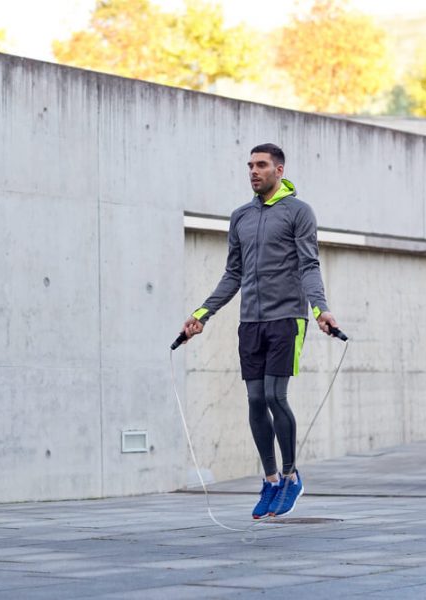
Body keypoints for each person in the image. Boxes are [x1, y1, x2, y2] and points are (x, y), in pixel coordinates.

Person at [181, 143, 339, 519]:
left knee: (273, 394)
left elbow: (309, 265)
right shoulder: (240, 217)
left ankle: (291, 476)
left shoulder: (299, 212)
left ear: (279, 171)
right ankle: (269, 480)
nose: (253, 171)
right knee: (254, 399)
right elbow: (232, 274)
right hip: (250, 320)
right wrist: (202, 314)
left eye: (262, 165)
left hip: (287, 317)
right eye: (250, 165)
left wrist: (320, 309)